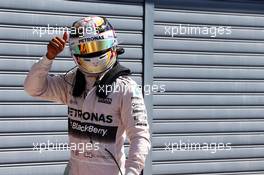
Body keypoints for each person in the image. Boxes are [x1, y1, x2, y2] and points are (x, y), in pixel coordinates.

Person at [24, 16, 150, 175]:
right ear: (75, 50)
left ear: (112, 44)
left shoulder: (126, 88)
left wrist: (131, 172)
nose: (91, 52)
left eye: (97, 45)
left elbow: (140, 137)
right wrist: (48, 58)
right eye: (85, 48)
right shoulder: (72, 81)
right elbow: (32, 88)